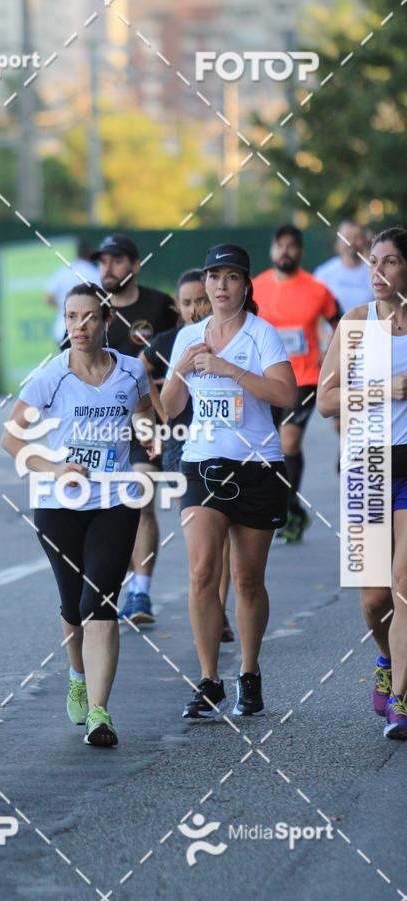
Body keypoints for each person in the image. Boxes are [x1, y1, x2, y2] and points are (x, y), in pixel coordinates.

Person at [2, 283, 155, 747]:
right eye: (71, 317)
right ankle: (77, 675)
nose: (79, 325)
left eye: (88, 316)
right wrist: (55, 468)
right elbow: (11, 438)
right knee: (73, 607)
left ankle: (99, 713)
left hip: (116, 499)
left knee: (99, 603)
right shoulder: (51, 375)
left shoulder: (131, 370)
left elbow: (143, 410)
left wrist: (147, 436)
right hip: (58, 505)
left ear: (106, 319)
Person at [161, 244, 296, 719]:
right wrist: (181, 369)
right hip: (202, 464)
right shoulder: (188, 337)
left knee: (247, 579)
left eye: (231, 277)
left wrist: (229, 370)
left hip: (258, 467)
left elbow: (287, 394)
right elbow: (170, 408)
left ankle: (249, 673)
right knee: (201, 571)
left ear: (245, 285)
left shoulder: (262, 335)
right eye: (214, 276)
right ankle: (209, 679)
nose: (221, 286)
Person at [317, 226, 407, 740]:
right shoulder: (355, 322)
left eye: (389, 261)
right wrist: (384, 389)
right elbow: (325, 401)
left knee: (403, 587)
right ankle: (385, 657)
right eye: (373, 261)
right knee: (375, 599)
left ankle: (401, 700)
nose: (377, 270)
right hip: (367, 467)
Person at [140, 269, 235, 643]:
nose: (195, 309)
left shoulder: (230, 336)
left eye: (201, 300)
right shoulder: (169, 341)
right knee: (203, 535)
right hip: (182, 444)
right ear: (177, 307)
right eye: (187, 302)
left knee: (224, 535)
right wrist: (161, 411)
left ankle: (219, 608)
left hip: (224, 442)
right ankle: (211, 605)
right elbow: (137, 372)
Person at [92, 234, 177, 625]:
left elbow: (186, 342)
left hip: (146, 420)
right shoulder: (92, 308)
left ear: (135, 265)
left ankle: (141, 592)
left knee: (140, 499)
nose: (108, 268)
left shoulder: (160, 305)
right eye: (103, 261)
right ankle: (126, 580)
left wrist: (167, 385)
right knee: (112, 511)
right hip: (100, 427)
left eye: (117, 260)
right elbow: (69, 360)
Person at [253, 224, 340, 543]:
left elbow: (341, 323)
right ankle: (292, 507)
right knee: (269, 445)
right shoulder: (256, 287)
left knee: (289, 442)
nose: (285, 251)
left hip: (304, 377)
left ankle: (285, 510)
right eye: (280, 245)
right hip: (265, 377)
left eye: (291, 246)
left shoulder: (317, 289)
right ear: (272, 249)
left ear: (300, 251)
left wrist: (332, 354)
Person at [46, 239, 100, 346]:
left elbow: (48, 298)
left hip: (63, 328)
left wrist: (65, 307)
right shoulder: (95, 273)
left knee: (64, 356)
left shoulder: (63, 271)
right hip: (89, 330)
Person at [314, 221, 374, 314]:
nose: (352, 242)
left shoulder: (376, 273)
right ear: (338, 242)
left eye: (357, 237)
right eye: (347, 238)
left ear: (364, 241)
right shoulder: (323, 274)